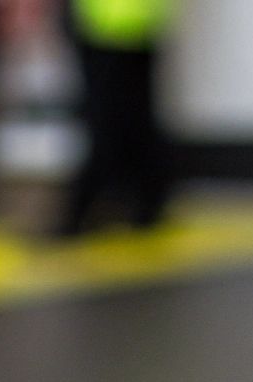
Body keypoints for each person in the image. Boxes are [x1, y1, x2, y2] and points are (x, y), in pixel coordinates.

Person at [54, 0, 175, 237]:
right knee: (135, 113)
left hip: (108, 19)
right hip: (137, 16)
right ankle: (148, 201)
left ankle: (86, 206)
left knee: (107, 116)